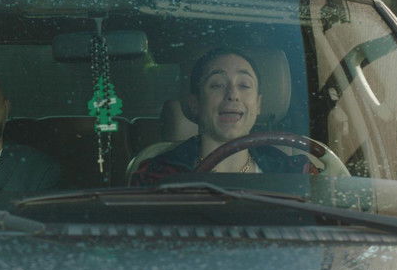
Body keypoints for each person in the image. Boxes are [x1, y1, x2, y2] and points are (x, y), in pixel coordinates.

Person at [132, 48, 317, 185]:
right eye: (217, 85)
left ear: (258, 104)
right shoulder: (159, 176)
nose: (232, 94)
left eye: (244, 85)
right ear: (195, 104)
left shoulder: (297, 174)